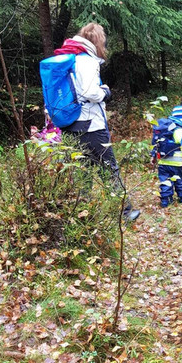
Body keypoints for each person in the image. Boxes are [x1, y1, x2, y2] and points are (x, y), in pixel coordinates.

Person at [55, 23, 140, 222]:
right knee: (110, 168)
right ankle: (124, 213)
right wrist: (105, 91)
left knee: (81, 170)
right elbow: (90, 92)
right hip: (91, 125)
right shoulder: (86, 60)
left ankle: (81, 214)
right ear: (98, 41)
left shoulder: (70, 58)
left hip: (70, 124)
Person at [151, 115, 182, 208]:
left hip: (163, 163)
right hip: (177, 163)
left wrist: (153, 157)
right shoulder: (180, 132)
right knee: (180, 180)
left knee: (165, 181)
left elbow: (155, 145)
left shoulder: (161, 130)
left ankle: (165, 200)